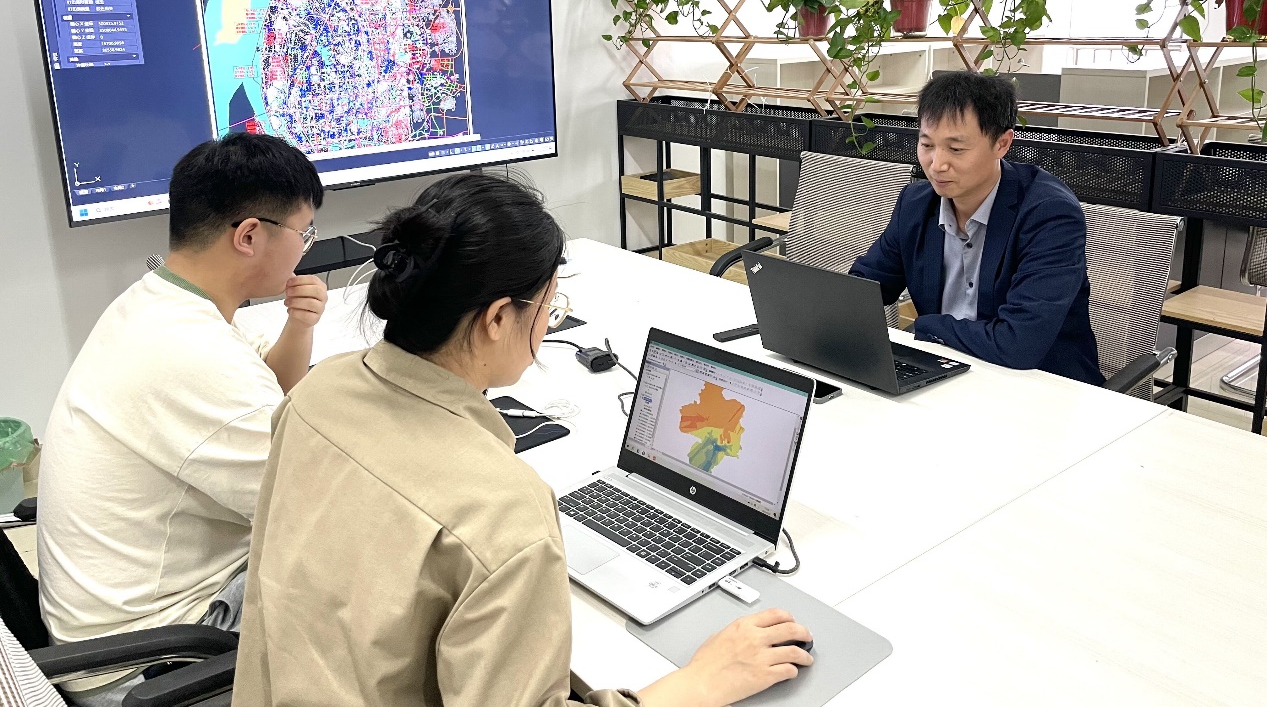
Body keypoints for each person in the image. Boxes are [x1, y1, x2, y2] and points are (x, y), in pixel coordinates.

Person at [233, 173, 813, 707]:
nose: (549, 322)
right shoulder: (504, 511)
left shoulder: (316, 392)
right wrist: (699, 683)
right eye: (549, 307)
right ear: (496, 319)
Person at [37, 133, 329, 701]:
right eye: (304, 233)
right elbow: (311, 507)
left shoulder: (158, 302)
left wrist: (299, 328)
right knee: (374, 568)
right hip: (150, 660)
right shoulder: (195, 355)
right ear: (249, 236)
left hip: (102, 628)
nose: (304, 251)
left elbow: (265, 393)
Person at [851, 72, 1103, 385]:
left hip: (1040, 387)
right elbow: (865, 288)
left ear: (1002, 143)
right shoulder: (916, 204)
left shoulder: (1049, 214)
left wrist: (926, 327)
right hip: (947, 371)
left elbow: (1019, 344)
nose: (937, 164)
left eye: (956, 149)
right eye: (927, 144)